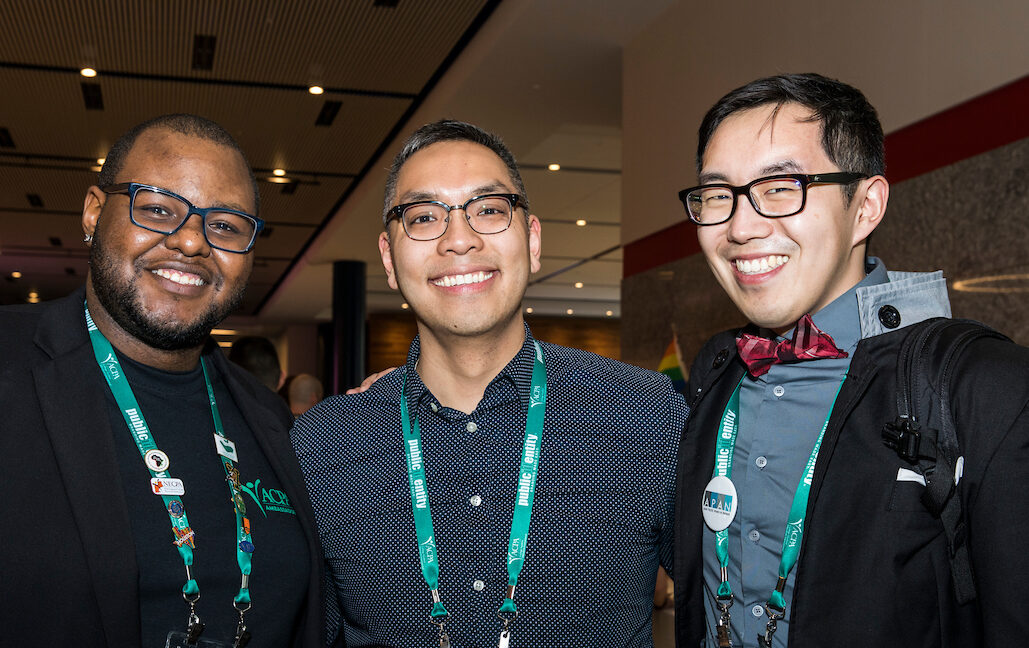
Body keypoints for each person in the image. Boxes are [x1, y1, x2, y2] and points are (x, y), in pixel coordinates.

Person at [291, 119, 687, 647]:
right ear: (389, 258)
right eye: (424, 216)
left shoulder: (647, 414)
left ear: (533, 239)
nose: (459, 239)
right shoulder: (326, 445)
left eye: (489, 210)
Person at [672, 73, 1029, 647]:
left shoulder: (982, 386)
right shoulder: (715, 372)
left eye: (782, 186)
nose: (740, 227)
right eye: (718, 195)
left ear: (865, 206)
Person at [0, 114, 325, 647]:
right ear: (93, 212)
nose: (192, 242)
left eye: (224, 225)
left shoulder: (271, 421)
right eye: (157, 209)